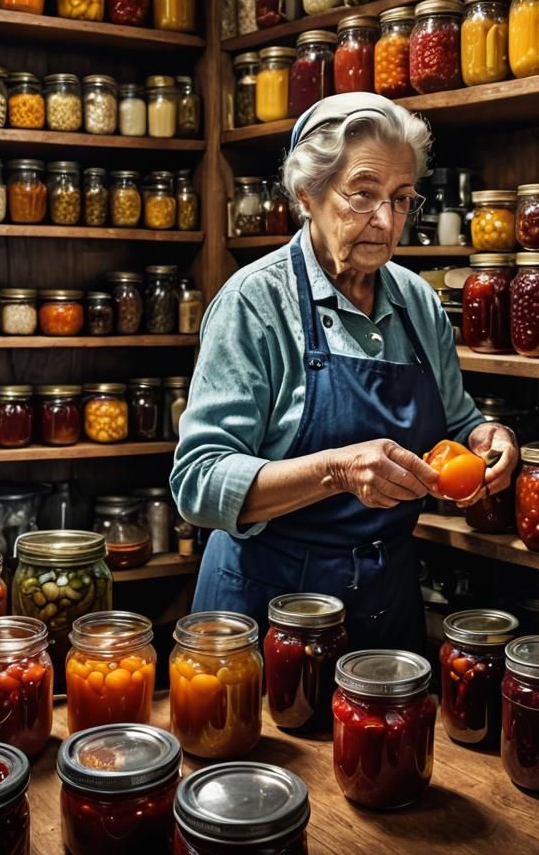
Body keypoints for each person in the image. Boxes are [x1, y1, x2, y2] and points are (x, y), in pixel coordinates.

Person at [170, 93, 518, 653]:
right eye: (362, 195)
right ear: (308, 194)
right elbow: (199, 484)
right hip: (265, 617)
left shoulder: (418, 304)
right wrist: (335, 470)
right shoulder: (255, 304)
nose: (385, 221)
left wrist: (484, 438)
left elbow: (457, 424)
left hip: (386, 606)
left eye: (401, 199)